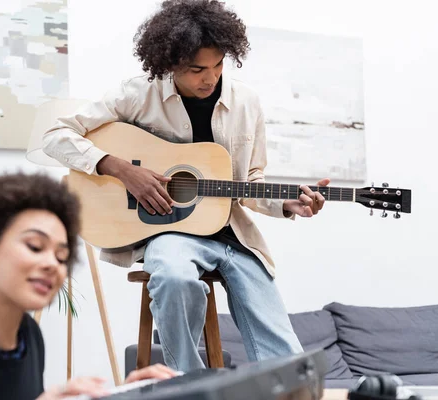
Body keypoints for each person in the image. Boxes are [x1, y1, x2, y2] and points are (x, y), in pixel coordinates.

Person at [42, 0, 330, 373]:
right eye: (197, 69)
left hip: (234, 236)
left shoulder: (246, 102)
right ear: (170, 63)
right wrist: (119, 168)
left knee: (287, 356)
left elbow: (250, 182)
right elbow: (54, 134)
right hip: (172, 234)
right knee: (174, 277)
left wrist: (287, 205)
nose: (210, 78)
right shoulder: (136, 94)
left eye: (218, 65)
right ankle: (188, 383)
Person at [0, 172, 177, 400]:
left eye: (61, 256)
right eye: (35, 246)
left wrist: (125, 394)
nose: (52, 265)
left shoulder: (28, 337)